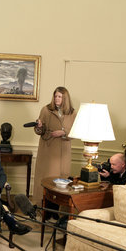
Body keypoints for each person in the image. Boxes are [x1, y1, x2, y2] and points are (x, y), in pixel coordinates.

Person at [32, 87, 76, 219]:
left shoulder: (72, 113)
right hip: (48, 148)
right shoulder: (46, 109)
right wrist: (39, 127)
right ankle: (44, 209)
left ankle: (56, 210)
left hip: (64, 150)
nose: (57, 99)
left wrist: (63, 133)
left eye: (60, 97)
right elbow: (39, 131)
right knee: (47, 178)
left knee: (61, 179)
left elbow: (75, 131)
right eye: (55, 96)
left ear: (65, 98)